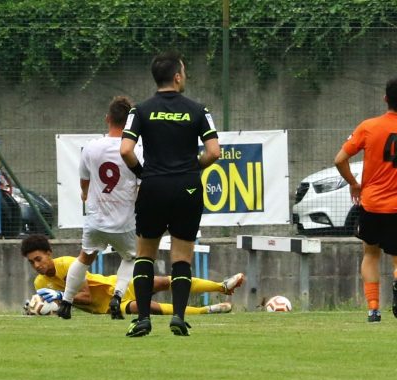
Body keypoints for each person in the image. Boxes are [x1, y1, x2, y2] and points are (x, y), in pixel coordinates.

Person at [120, 51, 221, 336]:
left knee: (145, 255)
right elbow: (214, 152)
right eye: (184, 72)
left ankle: (142, 319)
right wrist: (193, 167)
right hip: (187, 187)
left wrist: (142, 173)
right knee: (182, 256)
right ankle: (178, 316)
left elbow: (125, 150)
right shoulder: (199, 110)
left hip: (153, 186)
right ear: (177, 77)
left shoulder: (139, 110)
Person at [334, 76, 397, 323]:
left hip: (371, 204)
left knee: (370, 254)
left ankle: (373, 309)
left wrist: (354, 183)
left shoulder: (368, 127)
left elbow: (339, 159)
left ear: (385, 98)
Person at [57, 96, 142, 320]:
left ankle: (65, 303)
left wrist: (85, 194)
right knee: (131, 258)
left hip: (96, 219)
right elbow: (142, 185)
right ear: (130, 123)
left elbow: (84, 180)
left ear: (107, 118)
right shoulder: (136, 149)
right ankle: (117, 297)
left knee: (85, 257)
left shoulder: (91, 148)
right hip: (125, 221)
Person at [21, 234, 245, 317]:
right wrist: (38, 309)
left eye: (39, 259)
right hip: (108, 307)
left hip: (114, 287)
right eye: (32, 262)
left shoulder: (69, 264)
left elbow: (85, 296)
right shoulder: (39, 282)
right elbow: (58, 305)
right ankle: (208, 310)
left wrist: (59, 296)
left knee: (164, 281)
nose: (37, 265)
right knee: (148, 307)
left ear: (49, 253)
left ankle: (221, 286)